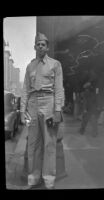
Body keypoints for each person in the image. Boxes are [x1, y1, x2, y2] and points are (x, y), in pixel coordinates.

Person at [20, 32, 64, 189]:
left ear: (47, 47)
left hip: (49, 103)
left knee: (49, 144)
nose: (40, 46)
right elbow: (25, 89)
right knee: (33, 144)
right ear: (34, 47)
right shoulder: (30, 66)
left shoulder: (55, 64)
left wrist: (58, 110)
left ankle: (49, 179)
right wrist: (21, 111)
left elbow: (59, 89)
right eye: (37, 44)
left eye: (43, 44)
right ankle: (33, 178)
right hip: (32, 104)